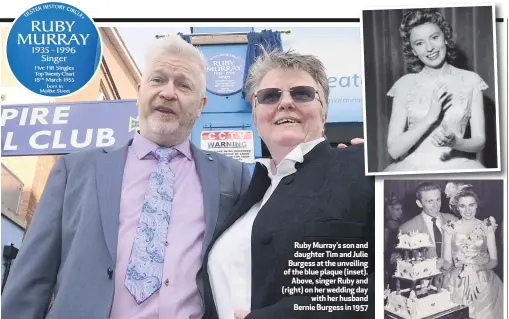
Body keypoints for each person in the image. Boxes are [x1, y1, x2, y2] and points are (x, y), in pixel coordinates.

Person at [1, 35, 251, 319]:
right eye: (158, 80)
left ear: (201, 104)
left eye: (183, 85)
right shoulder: (75, 170)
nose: (168, 93)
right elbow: (31, 278)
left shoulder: (233, 177)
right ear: (140, 91)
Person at [200, 49, 375, 319]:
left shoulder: (362, 166)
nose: (285, 103)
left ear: (324, 112)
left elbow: (395, 278)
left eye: (301, 93)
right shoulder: (250, 194)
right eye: (270, 96)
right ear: (256, 117)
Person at [384, 8, 488, 172]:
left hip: (459, 167)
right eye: (419, 43)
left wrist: (455, 142)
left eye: (434, 37)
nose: (429, 48)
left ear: (445, 38)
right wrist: (429, 119)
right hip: (413, 168)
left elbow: (480, 141)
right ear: (413, 51)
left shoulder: (471, 80)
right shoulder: (404, 85)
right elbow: (394, 150)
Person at [442, 182, 503, 319]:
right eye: (462, 206)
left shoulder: (486, 225)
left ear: (477, 205)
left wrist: (476, 268)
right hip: (457, 281)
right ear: (457, 207)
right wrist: (434, 265)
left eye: (471, 205)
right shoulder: (450, 228)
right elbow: (447, 262)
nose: (467, 210)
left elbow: (494, 261)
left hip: (483, 280)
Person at [398, 182, 458, 288]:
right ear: (419, 203)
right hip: (426, 289)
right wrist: (428, 265)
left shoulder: (453, 220)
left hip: (455, 283)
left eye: (438, 200)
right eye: (430, 201)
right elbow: (397, 261)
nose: (436, 206)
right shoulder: (406, 229)